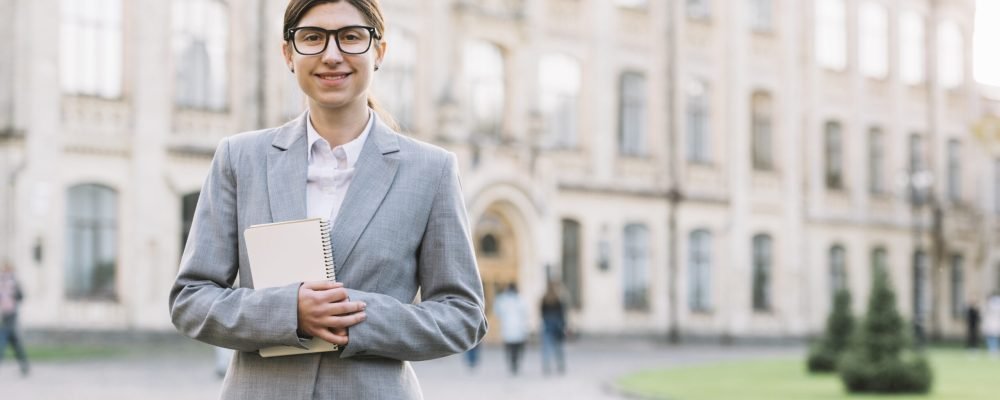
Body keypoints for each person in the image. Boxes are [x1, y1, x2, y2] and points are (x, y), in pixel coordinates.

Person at [169, 1, 487, 398]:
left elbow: (464, 316)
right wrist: (290, 313)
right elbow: (191, 299)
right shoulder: (240, 159)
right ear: (288, 54)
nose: (332, 55)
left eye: (351, 37)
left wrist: (357, 317)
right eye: (313, 38)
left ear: (379, 52)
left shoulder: (431, 170)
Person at [0, 261, 29, 377]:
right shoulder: (1, 283)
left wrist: (13, 293)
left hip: (12, 315)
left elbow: (21, 296)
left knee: (3, 338)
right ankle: (24, 364)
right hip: (4, 315)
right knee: (14, 341)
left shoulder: (15, 283)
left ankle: (24, 364)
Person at [493, 283, 528, 376]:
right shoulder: (521, 299)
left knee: (510, 348)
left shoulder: (502, 299)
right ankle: (515, 364)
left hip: (508, 328)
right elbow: (525, 312)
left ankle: (512, 363)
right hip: (518, 328)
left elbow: (497, 312)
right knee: (517, 348)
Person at [540, 281, 567, 375]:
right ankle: (560, 364)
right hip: (557, 324)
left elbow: (542, 313)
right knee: (558, 347)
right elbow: (562, 313)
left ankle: (546, 365)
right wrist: (563, 325)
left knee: (546, 347)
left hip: (547, 324)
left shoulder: (544, 298)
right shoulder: (558, 298)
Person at [984, 292, 1000, 357]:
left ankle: (994, 350)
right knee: (992, 338)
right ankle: (993, 350)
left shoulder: (991, 304)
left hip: (993, 323)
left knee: (993, 338)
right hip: (991, 323)